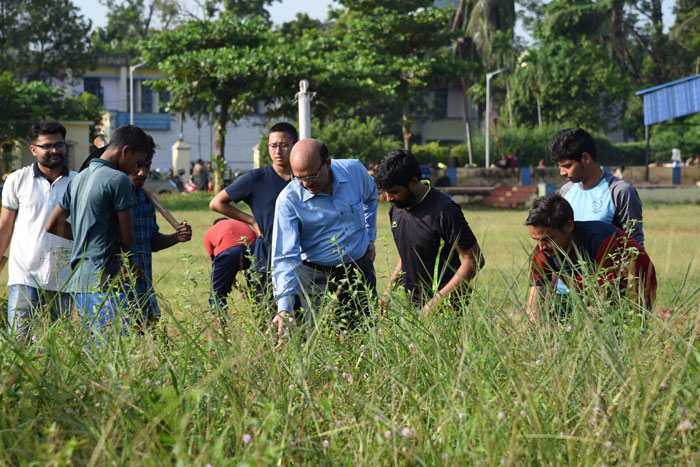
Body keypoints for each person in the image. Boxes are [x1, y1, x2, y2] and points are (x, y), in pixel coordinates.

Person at [46, 125, 152, 336]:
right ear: (126, 151)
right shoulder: (118, 179)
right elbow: (128, 240)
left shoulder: (78, 178)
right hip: (105, 278)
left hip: (79, 279)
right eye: (137, 162)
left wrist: (88, 237)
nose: (135, 169)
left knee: (93, 350)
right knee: (114, 350)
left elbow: (52, 224)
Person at [271, 138, 377, 333]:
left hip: (361, 271)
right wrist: (284, 308)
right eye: (298, 177)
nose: (305, 183)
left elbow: (371, 195)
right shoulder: (288, 201)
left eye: (311, 176)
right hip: (319, 281)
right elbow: (285, 256)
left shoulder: (353, 171)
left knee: (368, 337)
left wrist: (370, 236)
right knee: (326, 343)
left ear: (327, 164)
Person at [373, 149, 485, 316]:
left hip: (447, 312)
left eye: (394, 192)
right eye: (385, 193)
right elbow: (408, 253)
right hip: (413, 309)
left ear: (413, 182)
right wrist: (389, 290)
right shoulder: (396, 209)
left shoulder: (444, 211)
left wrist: (436, 303)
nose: (389, 198)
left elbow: (474, 260)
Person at [525, 194, 656, 323]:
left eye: (548, 239)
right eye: (536, 240)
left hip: (634, 293)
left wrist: (572, 328)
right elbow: (534, 306)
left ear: (569, 226)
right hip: (590, 295)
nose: (541, 247)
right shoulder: (543, 251)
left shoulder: (604, 242)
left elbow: (605, 301)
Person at [0, 120, 75, 338]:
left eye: (59, 145)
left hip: (65, 277)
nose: (54, 150)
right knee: (20, 341)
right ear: (33, 150)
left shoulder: (78, 182)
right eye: (47, 146)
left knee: (65, 344)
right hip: (25, 275)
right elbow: (5, 227)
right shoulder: (17, 180)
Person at [209, 122, 296, 292]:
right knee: (266, 315)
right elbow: (216, 203)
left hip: (301, 260)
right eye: (273, 146)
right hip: (265, 262)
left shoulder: (304, 178)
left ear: (295, 145)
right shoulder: (256, 178)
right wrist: (251, 220)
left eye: (284, 145)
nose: (278, 151)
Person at [127, 150, 192, 326]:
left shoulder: (145, 199)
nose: (142, 172)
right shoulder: (113, 196)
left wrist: (177, 237)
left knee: (153, 342)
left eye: (146, 166)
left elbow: (152, 242)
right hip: (119, 292)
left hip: (145, 289)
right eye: (136, 166)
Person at [549, 128, 644, 246]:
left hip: (609, 264)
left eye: (567, 166)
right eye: (560, 167)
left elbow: (635, 245)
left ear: (586, 158)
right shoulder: (566, 192)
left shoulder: (620, 192)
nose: (562, 172)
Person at [203, 218, 256, 309]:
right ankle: (264, 320)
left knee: (217, 295)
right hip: (253, 249)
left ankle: (221, 322)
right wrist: (244, 290)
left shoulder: (211, 231)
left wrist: (241, 290)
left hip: (228, 251)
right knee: (258, 290)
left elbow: (224, 274)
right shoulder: (242, 223)